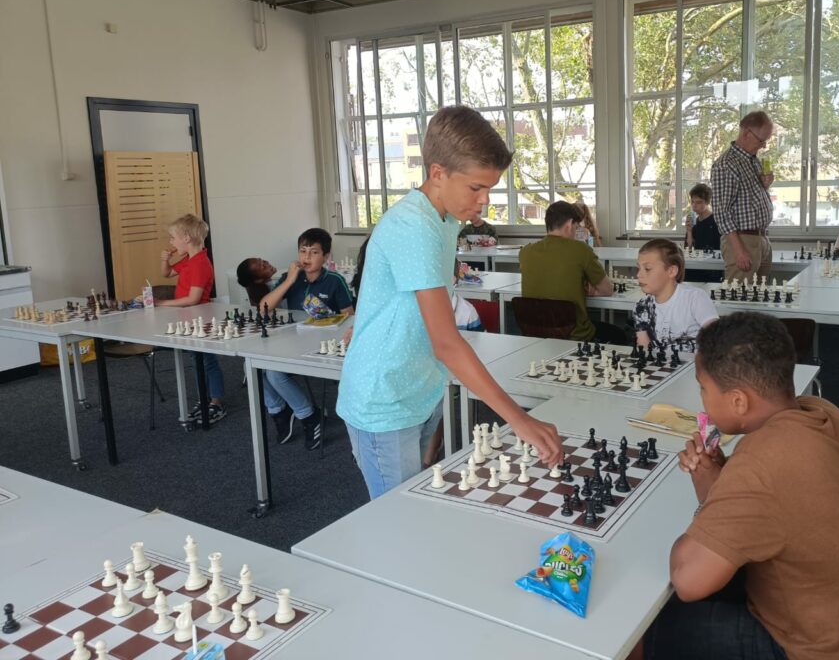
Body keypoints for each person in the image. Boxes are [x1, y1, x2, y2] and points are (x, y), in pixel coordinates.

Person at [644, 312, 839, 660]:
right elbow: (769, 506)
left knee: (644, 628)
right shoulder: (823, 412)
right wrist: (718, 478)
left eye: (703, 388)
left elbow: (687, 580)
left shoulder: (763, 461)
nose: (702, 399)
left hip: (815, 650)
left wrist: (709, 502)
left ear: (738, 401)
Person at [337, 105, 561, 499]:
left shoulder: (444, 219)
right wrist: (519, 420)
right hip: (384, 400)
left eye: (489, 188)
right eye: (476, 188)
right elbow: (446, 342)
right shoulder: (415, 225)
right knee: (398, 520)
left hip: (417, 387)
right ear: (438, 173)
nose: (484, 200)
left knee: (422, 499)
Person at [260, 228, 354, 450]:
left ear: (326, 256)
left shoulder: (334, 280)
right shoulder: (291, 277)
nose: (307, 257)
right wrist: (290, 280)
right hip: (294, 341)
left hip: (323, 344)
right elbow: (263, 308)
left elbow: (350, 317)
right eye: (303, 251)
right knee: (257, 366)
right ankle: (280, 412)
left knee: (274, 373)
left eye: (314, 252)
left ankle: (307, 416)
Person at [519, 201, 620, 343]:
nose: (575, 232)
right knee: (619, 335)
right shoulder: (581, 250)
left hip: (534, 332)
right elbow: (607, 290)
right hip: (573, 334)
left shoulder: (525, 252)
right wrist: (591, 291)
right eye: (576, 227)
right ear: (569, 224)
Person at [157, 213, 225, 423]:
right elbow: (167, 274)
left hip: (201, 319)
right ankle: (204, 398)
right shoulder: (189, 259)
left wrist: (161, 303)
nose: (171, 242)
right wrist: (165, 260)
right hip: (188, 318)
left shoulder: (200, 263)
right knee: (197, 361)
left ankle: (216, 401)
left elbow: (193, 299)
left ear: (186, 238)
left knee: (208, 361)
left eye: (173, 237)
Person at [711, 111, 775, 282]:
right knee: (739, 295)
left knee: (760, 295)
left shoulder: (752, 160)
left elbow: (748, 200)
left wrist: (765, 186)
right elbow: (722, 212)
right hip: (742, 240)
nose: (764, 146)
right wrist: (738, 251)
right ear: (746, 133)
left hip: (760, 237)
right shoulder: (726, 164)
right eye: (761, 140)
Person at [633, 239, 717, 349]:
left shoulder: (695, 298)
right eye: (638, 268)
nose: (639, 275)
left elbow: (717, 338)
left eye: (647, 269)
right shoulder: (641, 307)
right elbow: (644, 350)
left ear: (671, 271)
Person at [685, 183, 721, 251]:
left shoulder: (717, 221)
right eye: (692, 202)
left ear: (707, 202)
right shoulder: (694, 222)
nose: (694, 205)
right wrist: (689, 231)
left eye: (698, 202)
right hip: (699, 257)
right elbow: (689, 249)